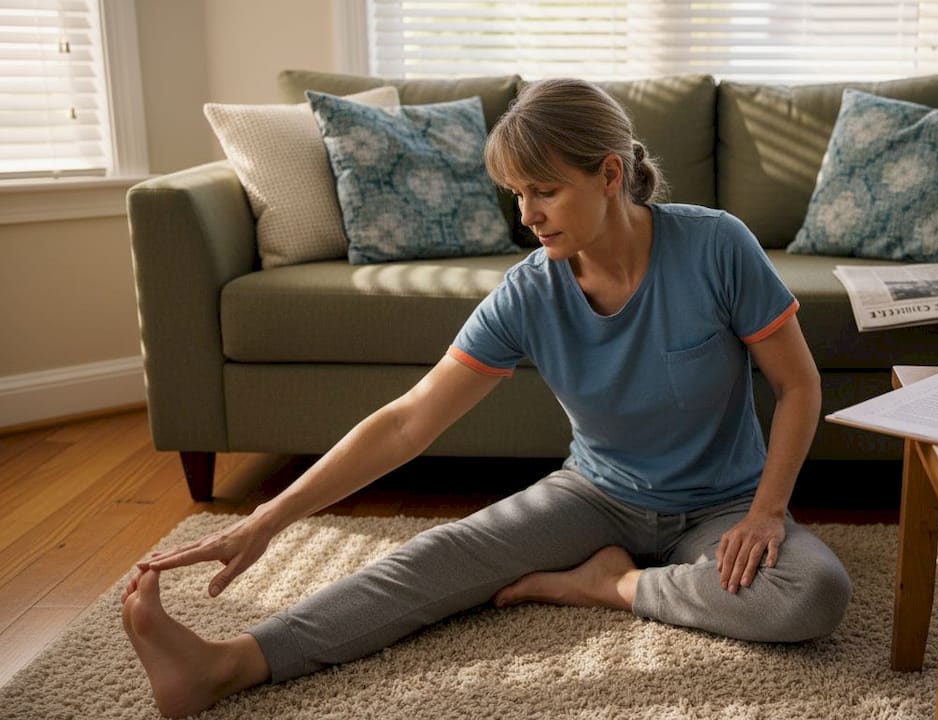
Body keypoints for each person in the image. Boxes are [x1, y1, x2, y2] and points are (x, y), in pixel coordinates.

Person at [120, 77, 853, 718]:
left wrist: (764, 513)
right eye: (517, 194)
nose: (528, 215)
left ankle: (611, 585)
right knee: (444, 556)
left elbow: (797, 385)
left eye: (545, 189)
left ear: (609, 173)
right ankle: (227, 663)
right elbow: (409, 422)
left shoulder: (716, 246)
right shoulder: (530, 291)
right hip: (598, 494)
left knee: (812, 593)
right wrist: (269, 519)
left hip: (725, 502)